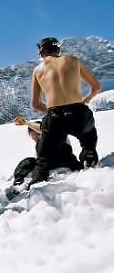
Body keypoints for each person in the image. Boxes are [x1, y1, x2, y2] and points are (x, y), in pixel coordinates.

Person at [28, 37, 101, 188]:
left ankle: (35, 187)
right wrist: (86, 100)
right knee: (88, 142)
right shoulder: (73, 60)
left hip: (55, 117)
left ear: (41, 53)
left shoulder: (37, 70)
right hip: (79, 112)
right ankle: (90, 165)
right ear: (58, 49)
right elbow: (96, 87)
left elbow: (35, 104)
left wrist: (53, 112)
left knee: (43, 160)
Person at [11, 116, 82, 186]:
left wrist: (27, 123)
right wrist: (15, 175)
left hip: (65, 163)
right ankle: (18, 184)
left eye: (38, 136)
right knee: (28, 161)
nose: (36, 140)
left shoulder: (58, 135)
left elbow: (47, 131)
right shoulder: (39, 147)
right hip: (48, 167)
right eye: (34, 138)